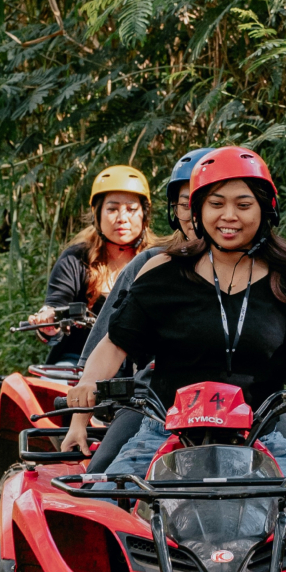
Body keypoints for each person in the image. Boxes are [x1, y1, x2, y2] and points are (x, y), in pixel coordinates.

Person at [67, 146, 286, 480]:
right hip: (165, 433)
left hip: (261, 434)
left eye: (243, 205)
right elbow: (114, 343)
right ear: (197, 211)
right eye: (216, 204)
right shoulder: (162, 270)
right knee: (106, 505)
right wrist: (87, 389)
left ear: (267, 209)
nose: (229, 216)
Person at [61, 147, 214, 460]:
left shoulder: (272, 271)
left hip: (252, 408)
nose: (196, 216)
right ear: (175, 209)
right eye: (187, 204)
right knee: (98, 486)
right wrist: (80, 420)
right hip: (155, 403)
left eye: (207, 203)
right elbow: (107, 344)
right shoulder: (150, 265)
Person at [25, 165, 156, 364]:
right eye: (112, 209)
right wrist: (48, 322)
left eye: (131, 209)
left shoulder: (158, 260)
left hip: (142, 366)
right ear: (97, 214)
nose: (122, 218)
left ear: (144, 215)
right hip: (78, 362)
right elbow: (56, 302)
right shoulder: (76, 258)